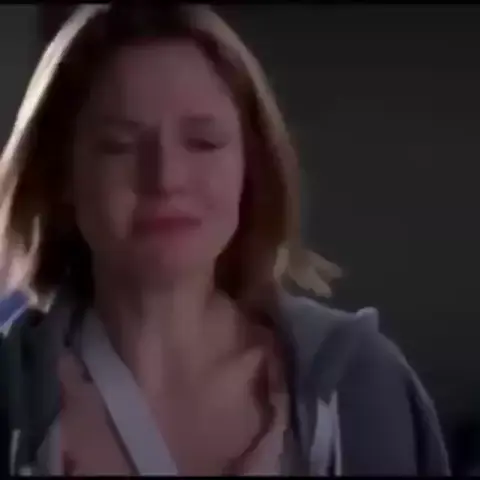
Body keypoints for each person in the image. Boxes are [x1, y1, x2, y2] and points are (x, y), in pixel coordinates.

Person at [0, 3, 450, 476]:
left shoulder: (361, 387)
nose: (166, 179)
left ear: (249, 169)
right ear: (62, 175)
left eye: (204, 142)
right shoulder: (11, 400)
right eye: (120, 146)